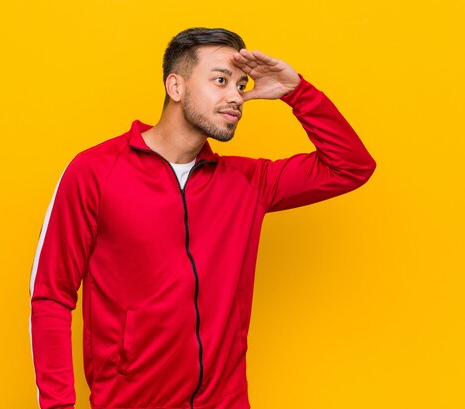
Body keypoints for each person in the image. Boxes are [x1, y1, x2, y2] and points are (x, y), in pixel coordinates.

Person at [29, 27, 376, 409]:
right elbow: (51, 295)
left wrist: (298, 93)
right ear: (175, 87)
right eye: (220, 80)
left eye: (241, 84)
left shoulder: (248, 183)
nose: (236, 97)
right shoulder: (95, 172)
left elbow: (351, 167)